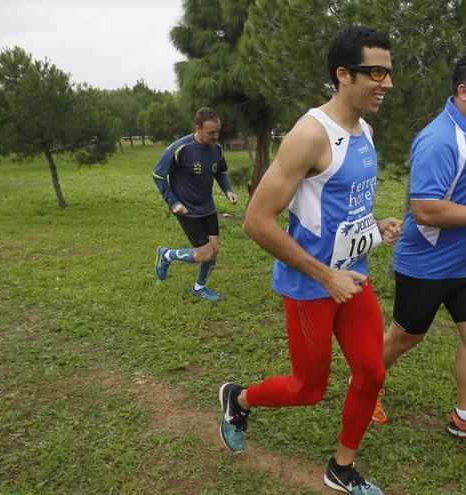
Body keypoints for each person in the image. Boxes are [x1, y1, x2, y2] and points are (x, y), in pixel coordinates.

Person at [218, 25, 401, 495]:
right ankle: (239, 399)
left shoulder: (365, 130)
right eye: (376, 72)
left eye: (389, 72)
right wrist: (325, 275)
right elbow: (257, 221)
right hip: (309, 287)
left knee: (372, 371)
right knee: (308, 388)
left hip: (353, 279)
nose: (387, 83)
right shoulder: (309, 135)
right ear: (344, 74)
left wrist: (374, 230)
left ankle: (342, 466)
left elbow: (339, 209)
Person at [370, 49, 466, 449]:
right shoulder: (439, 140)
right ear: (464, 91)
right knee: (404, 338)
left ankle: (464, 417)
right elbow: (426, 210)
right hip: (426, 266)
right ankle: (364, 387)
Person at [152, 107, 239, 302]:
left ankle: (199, 288)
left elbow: (220, 172)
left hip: (208, 207)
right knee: (204, 254)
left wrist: (228, 191)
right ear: (197, 128)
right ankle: (166, 255)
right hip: (187, 209)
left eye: (218, 131)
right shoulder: (180, 148)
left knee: (214, 251)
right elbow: (158, 175)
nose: (216, 136)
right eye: (211, 132)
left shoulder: (217, 149)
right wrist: (173, 203)